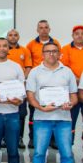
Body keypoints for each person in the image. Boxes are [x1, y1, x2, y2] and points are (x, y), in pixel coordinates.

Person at [26, 42, 80, 163]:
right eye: (48, 51)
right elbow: (30, 96)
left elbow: (74, 96)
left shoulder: (67, 71)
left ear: (59, 53)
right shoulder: (35, 72)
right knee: (39, 153)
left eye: (54, 51)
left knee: (67, 154)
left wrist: (70, 104)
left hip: (63, 119)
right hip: (42, 119)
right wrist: (40, 108)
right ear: (42, 54)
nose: (51, 54)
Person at [25, 20, 61, 149]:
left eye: (46, 27)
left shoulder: (56, 43)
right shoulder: (30, 44)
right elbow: (29, 63)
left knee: (55, 108)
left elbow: (58, 59)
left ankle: (53, 139)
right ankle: (32, 138)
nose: (43, 30)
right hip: (37, 82)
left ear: (49, 29)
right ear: (37, 30)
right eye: (41, 27)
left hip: (53, 81)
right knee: (34, 111)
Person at [60, 25, 83, 148]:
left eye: (82, 33)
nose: (80, 36)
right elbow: (64, 67)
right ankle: (68, 141)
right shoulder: (66, 49)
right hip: (72, 89)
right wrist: (75, 79)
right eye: (77, 34)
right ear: (72, 35)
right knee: (71, 116)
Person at [6, 29, 32, 149]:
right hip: (5, 87)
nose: (13, 37)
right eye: (10, 35)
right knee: (5, 112)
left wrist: (21, 80)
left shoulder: (24, 50)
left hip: (19, 87)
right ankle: (4, 138)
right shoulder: (3, 50)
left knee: (21, 113)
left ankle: (19, 138)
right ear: (7, 37)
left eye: (15, 35)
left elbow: (28, 67)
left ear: (19, 37)